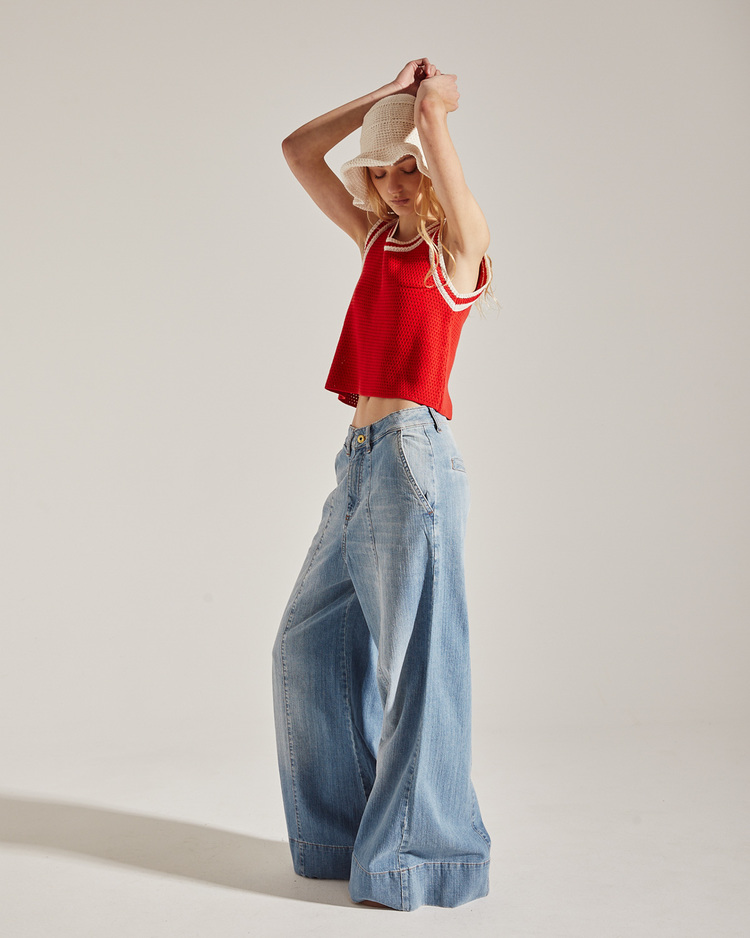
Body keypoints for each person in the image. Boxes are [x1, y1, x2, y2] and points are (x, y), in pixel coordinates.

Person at [271, 58, 493, 912]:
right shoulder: (373, 239)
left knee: (422, 661)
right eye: (383, 169)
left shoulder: (457, 250)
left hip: (413, 455)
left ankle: (423, 857)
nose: (396, 182)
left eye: (410, 168)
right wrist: (384, 98)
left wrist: (431, 112)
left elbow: (442, 162)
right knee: (307, 643)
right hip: (359, 461)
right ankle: (344, 836)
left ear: (432, 172)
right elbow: (298, 151)